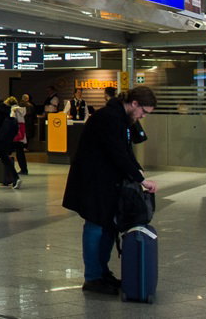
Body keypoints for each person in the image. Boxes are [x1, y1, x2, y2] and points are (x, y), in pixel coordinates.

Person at [62, 86, 158, 295]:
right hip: (92, 183)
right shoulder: (109, 118)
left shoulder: (120, 118)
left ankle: (102, 273)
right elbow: (117, 152)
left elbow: (125, 151)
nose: (142, 116)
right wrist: (140, 179)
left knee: (106, 226)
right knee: (96, 226)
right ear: (134, 104)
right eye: (143, 112)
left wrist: (140, 173)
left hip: (105, 182)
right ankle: (93, 277)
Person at [8, 97, 29, 176]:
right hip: (21, 132)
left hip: (15, 132)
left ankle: (8, 169)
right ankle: (24, 169)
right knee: (20, 152)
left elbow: (11, 119)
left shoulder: (13, 110)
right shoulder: (21, 110)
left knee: (7, 151)